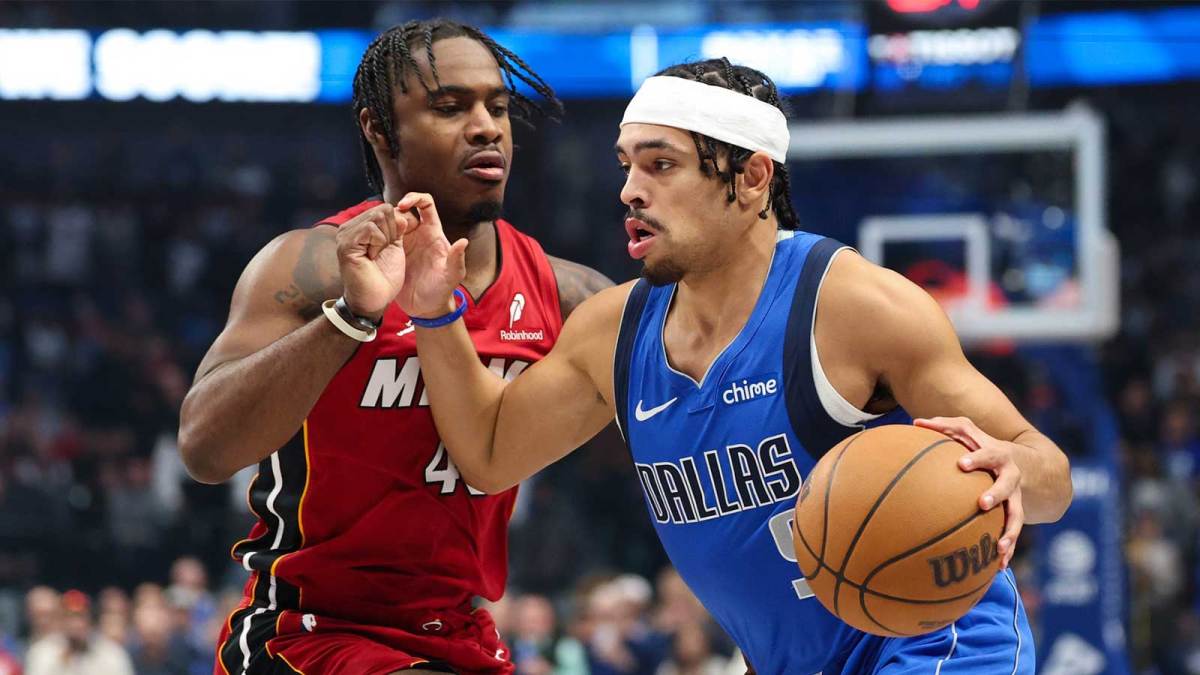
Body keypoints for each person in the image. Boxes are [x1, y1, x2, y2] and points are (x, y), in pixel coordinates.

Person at [394, 58, 1073, 673]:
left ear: (750, 180)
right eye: (626, 164)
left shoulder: (853, 305)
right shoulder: (614, 331)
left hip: (939, 644)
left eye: (660, 166)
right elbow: (487, 451)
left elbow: (1050, 478)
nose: (630, 189)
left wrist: (1013, 470)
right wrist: (433, 309)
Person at [176, 19, 611, 675]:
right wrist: (350, 318)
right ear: (379, 129)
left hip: (458, 630)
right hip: (308, 629)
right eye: (450, 107)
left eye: (496, 106)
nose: (487, 126)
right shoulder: (312, 265)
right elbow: (205, 448)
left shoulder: (571, 295)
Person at [25, 590, 134, 675]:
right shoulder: (43, 653)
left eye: (81, 617)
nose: (76, 624)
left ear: (90, 620)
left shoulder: (111, 653)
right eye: (69, 617)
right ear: (59, 620)